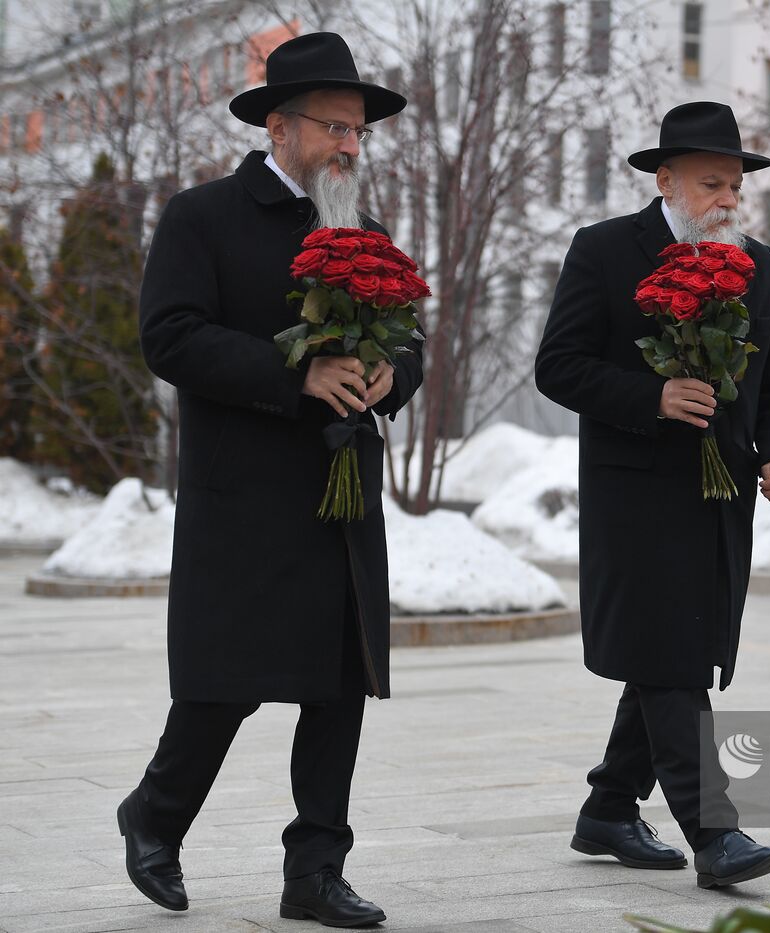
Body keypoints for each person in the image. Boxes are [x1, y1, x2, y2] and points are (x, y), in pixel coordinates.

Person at [121, 32, 422, 927]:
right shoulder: (201, 215)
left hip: (341, 493)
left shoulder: (363, 233)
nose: (350, 147)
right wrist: (293, 376)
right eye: (335, 127)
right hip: (243, 494)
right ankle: (154, 816)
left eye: (359, 131)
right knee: (226, 681)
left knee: (338, 684)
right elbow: (169, 335)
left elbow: (407, 339)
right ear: (280, 127)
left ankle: (315, 871)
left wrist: (385, 376)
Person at [535, 100, 770, 889]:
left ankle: (610, 807)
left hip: (721, 498)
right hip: (636, 496)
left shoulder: (756, 262)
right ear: (666, 179)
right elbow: (559, 365)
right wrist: (651, 397)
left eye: (735, 186)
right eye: (711, 184)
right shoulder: (606, 250)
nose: (727, 200)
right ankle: (715, 834)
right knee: (671, 653)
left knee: (671, 652)